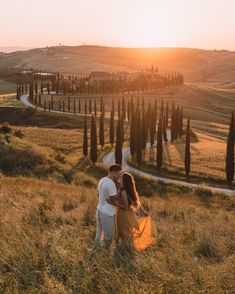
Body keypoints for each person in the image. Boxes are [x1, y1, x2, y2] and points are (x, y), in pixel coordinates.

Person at [115, 172, 156, 252]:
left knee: (124, 233)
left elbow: (126, 207)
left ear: (124, 181)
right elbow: (137, 204)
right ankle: (127, 250)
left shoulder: (123, 191)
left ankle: (126, 251)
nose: (119, 178)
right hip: (130, 214)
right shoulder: (129, 191)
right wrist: (144, 212)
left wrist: (115, 204)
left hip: (123, 214)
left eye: (121, 178)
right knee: (128, 233)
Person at [94, 164, 122, 248]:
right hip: (108, 213)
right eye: (118, 174)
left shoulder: (102, 180)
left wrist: (104, 200)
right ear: (113, 172)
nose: (119, 176)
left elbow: (98, 194)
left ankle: (96, 249)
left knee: (99, 232)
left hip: (99, 209)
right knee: (108, 236)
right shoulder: (111, 184)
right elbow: (112, 199)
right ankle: (106, 253)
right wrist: (119, 205)